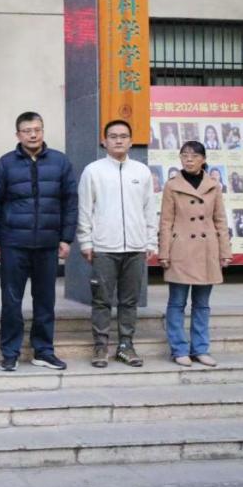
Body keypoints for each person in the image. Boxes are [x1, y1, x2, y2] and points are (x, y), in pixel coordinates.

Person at [0, 111, 77, 371]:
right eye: (27, 131)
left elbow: (70, 202)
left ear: (43, 131)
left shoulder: (60, 162)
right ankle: (10, 352)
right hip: (13, 243)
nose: (33, 135)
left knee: (45, 301)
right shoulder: (5, 164)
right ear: (18, 135)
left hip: (48, 244)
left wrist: (66, 238)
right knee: (11, 302)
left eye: (37, 129)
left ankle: (44, 351)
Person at [77, 120, 157, 368]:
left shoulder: (142, 172)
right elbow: (85, 209)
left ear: (131, 141)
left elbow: (149, 209)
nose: (118, 140)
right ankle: (100, 347)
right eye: (113, 136)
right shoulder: (93, 171)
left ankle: (125, 346)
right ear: (104, 141)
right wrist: (85, 241)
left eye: (123, 136)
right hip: (103, 247)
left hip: (135, 247)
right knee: (101, 300)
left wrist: (150, 241)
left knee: (129, 301)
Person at [158, 141, 231, 368]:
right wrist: (164, 252)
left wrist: (225, 251)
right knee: (177, 302)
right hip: (181, 249)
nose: (188, 159)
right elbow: (166, 222)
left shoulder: (213, 185)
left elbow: (220, 220)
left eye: (194, 155)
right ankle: (179, 349)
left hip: (207, 249)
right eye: (184, 155)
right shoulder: (172, 185)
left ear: (203, 159)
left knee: (202, 304)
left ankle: (200, 349)